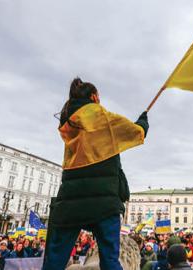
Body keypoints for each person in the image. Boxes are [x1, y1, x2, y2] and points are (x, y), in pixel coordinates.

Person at [43, 78, 149, 270]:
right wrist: (143, 121)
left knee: (55, 259)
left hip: (70, 199)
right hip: (104, 200)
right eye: (98, 96)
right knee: (109, 258)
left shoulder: (69, 121)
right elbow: (134, 132)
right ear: (93, 96)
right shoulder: (99, 115)